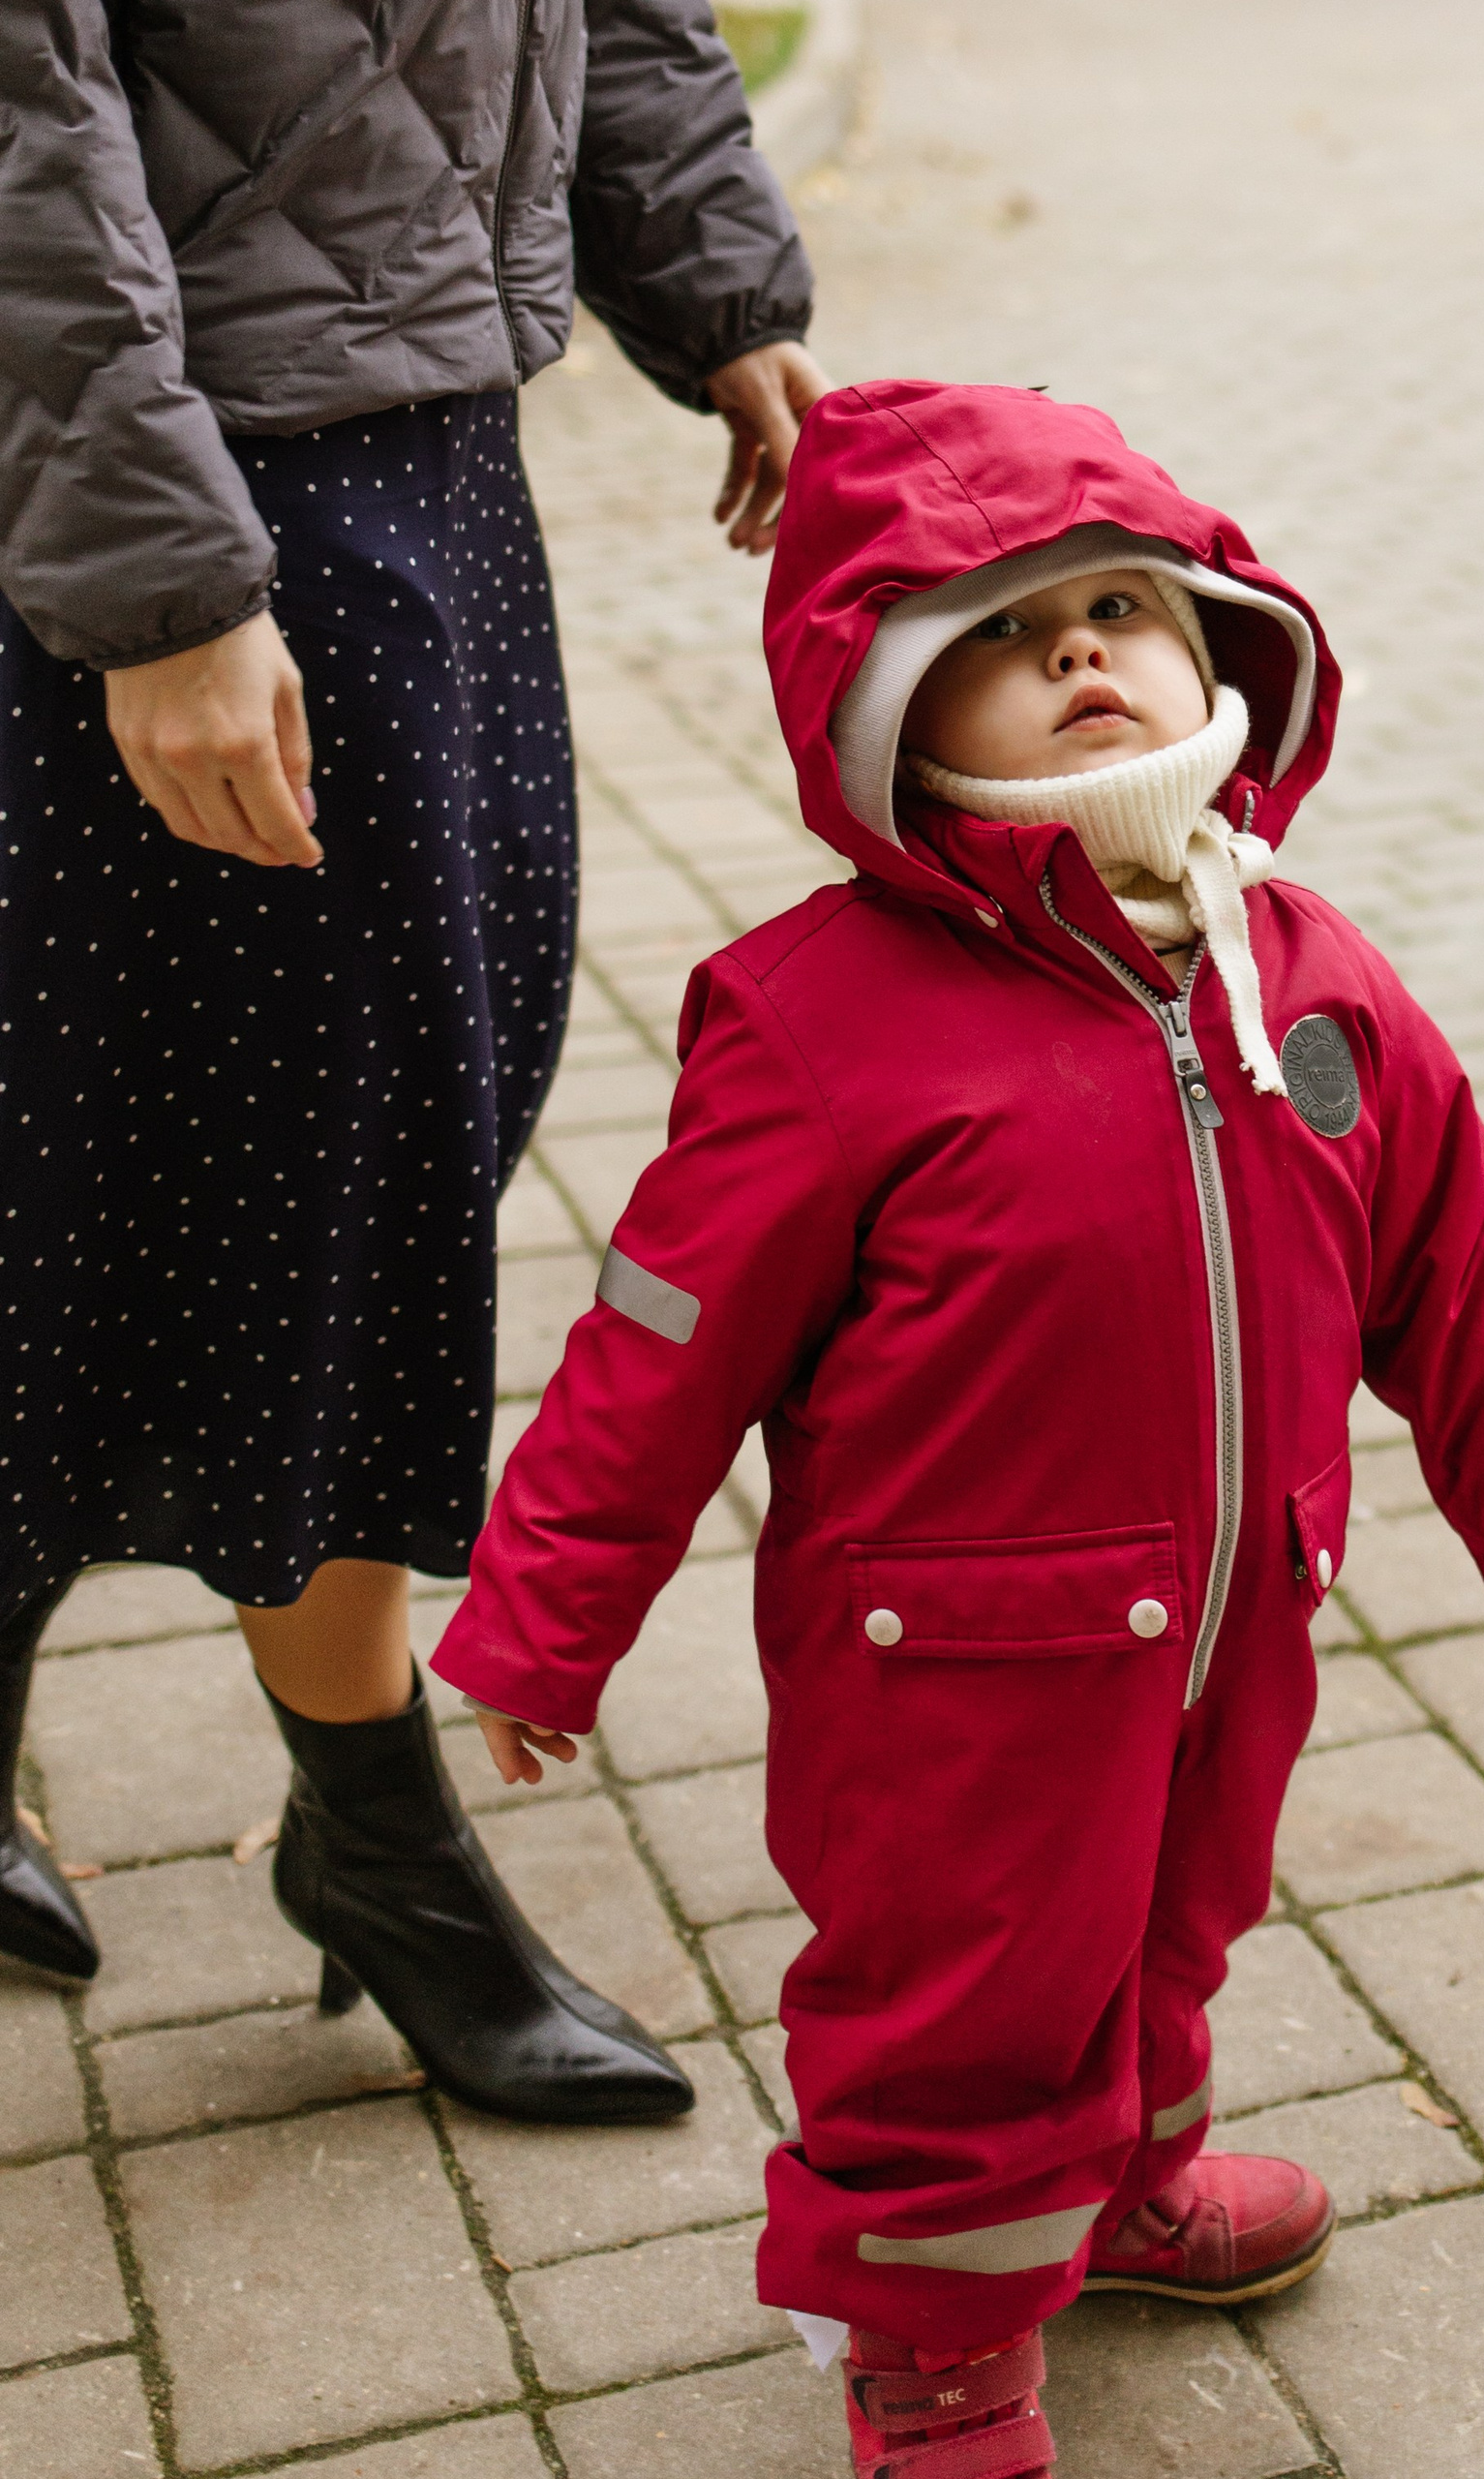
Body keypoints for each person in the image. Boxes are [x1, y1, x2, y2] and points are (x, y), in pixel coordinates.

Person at [431, 381, 1484, 2473]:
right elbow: (658, 1338)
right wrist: (545, 1621)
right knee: (963, 1996)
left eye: (1113, 607)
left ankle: (1123, 2184)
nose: (1076, 653)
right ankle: (929, 2338)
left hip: (1236, 1597)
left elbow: (1453, 1262)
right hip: (951, 1667)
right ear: (888, 718)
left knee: (1175, 1917)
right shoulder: (818, 1020)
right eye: (999, 633)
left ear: (1215, 645)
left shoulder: (1311, 966)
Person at [0, 0, 826, 2122]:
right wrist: (167, 584)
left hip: (433, 451)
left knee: (393, 1133)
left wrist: (715, 277)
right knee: (241, 1176)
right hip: (162, 485)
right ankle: (375, 1842)